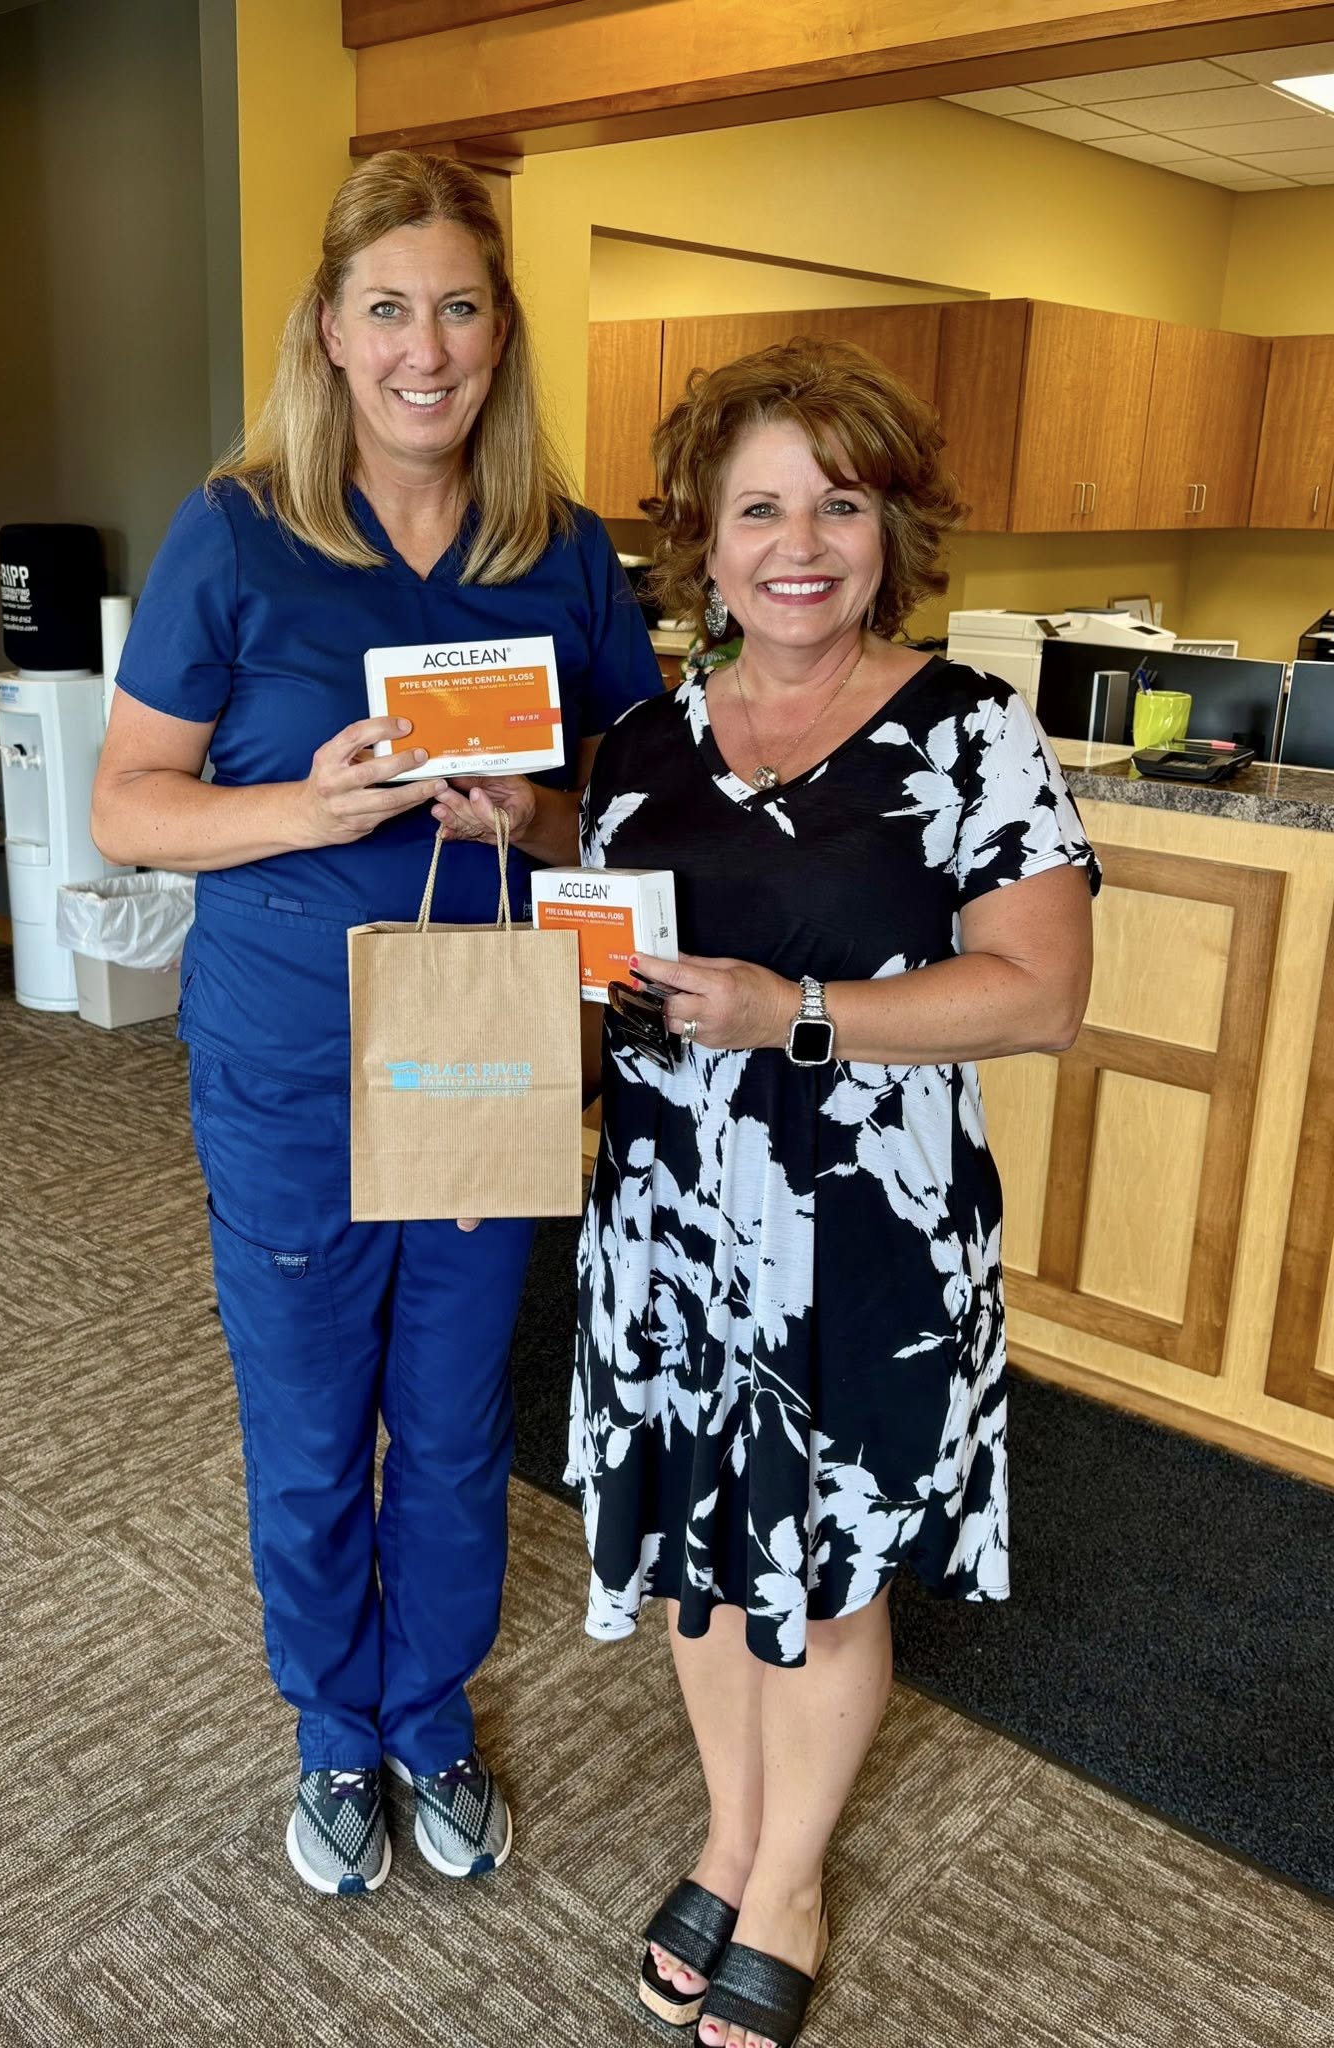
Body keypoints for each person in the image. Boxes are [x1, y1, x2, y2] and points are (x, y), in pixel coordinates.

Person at [91, 150, 660, 1900]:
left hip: (483, 1035)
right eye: (390, 308)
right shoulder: (238, 530)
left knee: (458, 1417)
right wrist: (308, 807)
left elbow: (636, 814)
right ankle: (334, 1726)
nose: (429, 348)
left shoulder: (561, 551)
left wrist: (534, 812)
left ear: (501, 332)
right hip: (288, 1057)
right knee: (314, 1421)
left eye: (460, 308)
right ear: (331, 332)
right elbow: (128, 805)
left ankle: (430, 1708)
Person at [569, 339, 1098, 2048]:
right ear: (702, 541)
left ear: (891, 531)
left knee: (830, 1570)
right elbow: (614, 963)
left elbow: (1038, 995)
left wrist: (793, 1013)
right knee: (701, 1556)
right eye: (759, 509)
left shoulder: (972, 731)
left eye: (840, 505)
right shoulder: (639, 743)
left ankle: (789, 1878)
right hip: (666, 1225)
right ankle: (730, 1835)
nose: (798, 545)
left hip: (865, 1239)